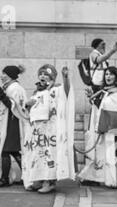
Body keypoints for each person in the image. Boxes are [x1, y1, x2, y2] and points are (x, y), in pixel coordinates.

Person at [22, 64, 76, 193]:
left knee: (49, 155)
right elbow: (32, 108)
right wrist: (28, 105)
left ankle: (49, 181)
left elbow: (67, 92)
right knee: (38, 155)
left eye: (46, 74)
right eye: (41, 74)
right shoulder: (37, 92)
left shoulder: (56, 89)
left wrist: (65, 78)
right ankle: (38, 180)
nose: (42, 76)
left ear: (52, 77)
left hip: (50, 131)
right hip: (37, 131)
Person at [78, 66, 117, 189]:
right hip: (109, 125)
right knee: (112, 152)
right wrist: (93, 97)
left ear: (116, 77)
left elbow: (115, 110)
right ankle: (116, 178)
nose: (108, 76)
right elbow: (103, 107)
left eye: (111, 74)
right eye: (106, 74)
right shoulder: (106, 92)